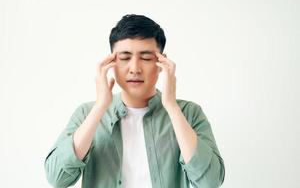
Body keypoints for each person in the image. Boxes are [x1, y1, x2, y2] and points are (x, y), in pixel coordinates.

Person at [44, 14, 225, 188]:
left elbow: (210, 182)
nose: (135, 68)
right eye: (124, 57)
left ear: (162, 63)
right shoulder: (86, 113)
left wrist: (171, 106)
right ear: (111, 61)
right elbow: (57, 178)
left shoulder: (189, 113)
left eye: (146, 58)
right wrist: (100, 107)